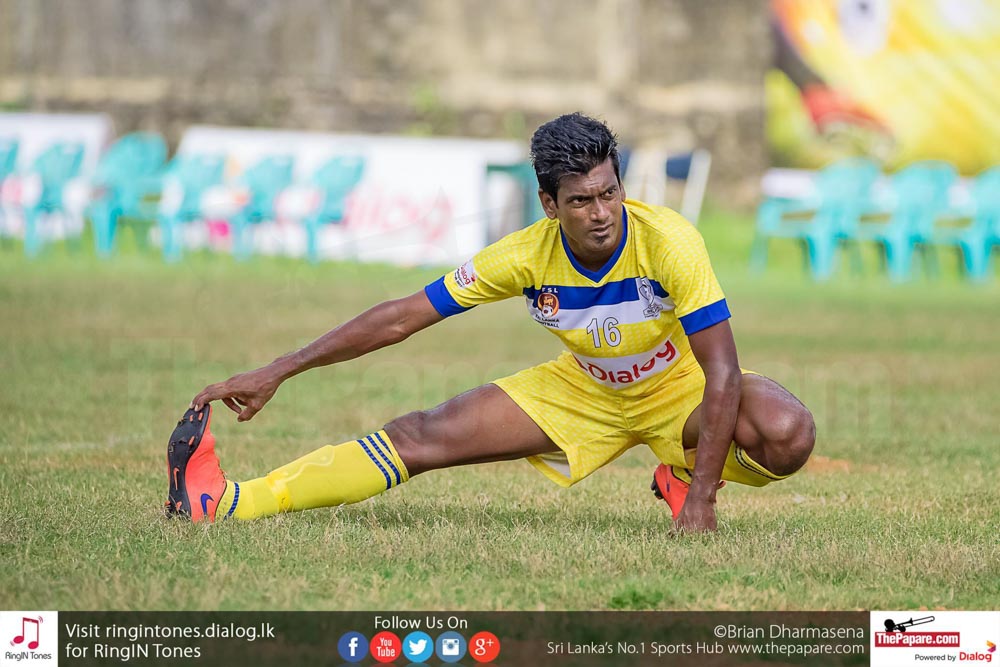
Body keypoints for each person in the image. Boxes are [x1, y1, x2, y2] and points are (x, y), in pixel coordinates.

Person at [166, 113, 815, 533]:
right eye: (581, 201)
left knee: (787, 431)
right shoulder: (523, 255)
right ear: (549, 204)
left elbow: (722, 371)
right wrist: (280, 369)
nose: (601, 213)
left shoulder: (669, 241)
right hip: (584, 389)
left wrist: (702, 499)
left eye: (610, 192)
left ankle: (682, 474)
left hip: (676, 389)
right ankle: (229, 501)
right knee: (419, 435)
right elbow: (401, 318)